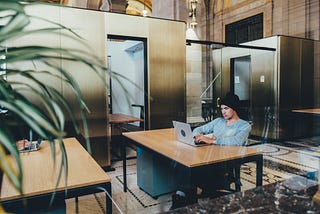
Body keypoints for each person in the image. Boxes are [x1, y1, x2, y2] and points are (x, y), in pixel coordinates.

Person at [171, 92, 252, 210]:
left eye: (226, 108)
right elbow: (199, 128)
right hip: (209, 157)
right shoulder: (219, 121)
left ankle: (184, 198)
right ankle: (182, 197)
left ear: (234, 109)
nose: (223, 111)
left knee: (192, 170)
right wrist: (197, 136)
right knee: (184, 164)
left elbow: (236, 141)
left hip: (225, 161)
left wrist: (211, 140)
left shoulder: (244, 126)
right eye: (222, 109)